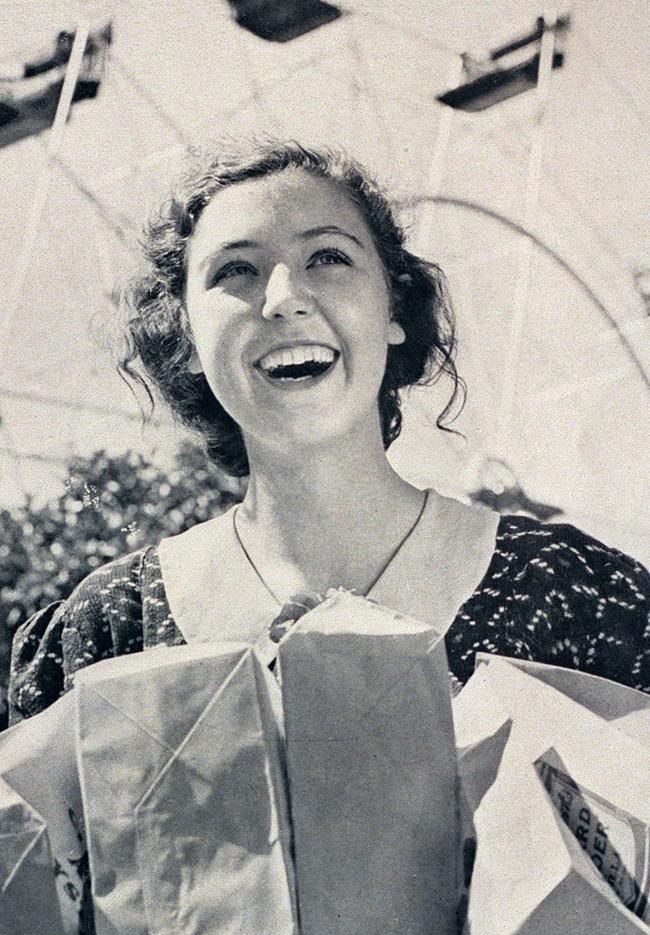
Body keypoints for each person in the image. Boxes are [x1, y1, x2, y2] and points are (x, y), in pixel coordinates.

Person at [8, 138, 650, 727]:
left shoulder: (573, 592)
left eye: (328, 257)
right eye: (235, 270)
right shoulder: (111, 628)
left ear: (394, 310)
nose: (284, 297)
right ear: (189, 338)